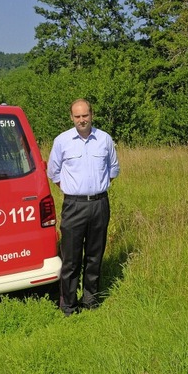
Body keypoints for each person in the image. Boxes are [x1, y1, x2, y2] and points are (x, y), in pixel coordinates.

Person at [47, 99, 120, 316]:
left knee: (95, 255)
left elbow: (113, 169)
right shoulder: (62, 141)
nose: (82, 120)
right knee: (71, 259)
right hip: (74, 206)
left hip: (99, 204)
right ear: (72, 117)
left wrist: (96, 189)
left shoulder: (105, 139)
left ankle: (90, 301)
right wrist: (73, 190)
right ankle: (69, 306)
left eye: (85, 115)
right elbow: (53, 172)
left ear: (92, 115)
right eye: (77, 116)